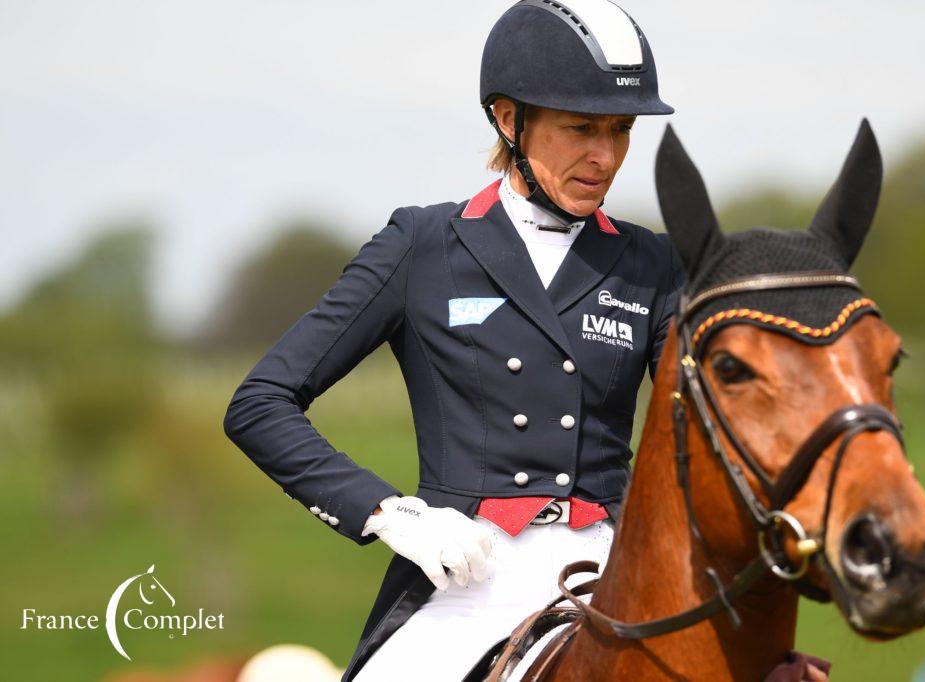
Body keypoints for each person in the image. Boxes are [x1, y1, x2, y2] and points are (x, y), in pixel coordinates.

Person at [225, 1, 697, 679]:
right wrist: (392, 515)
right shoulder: (423, 247)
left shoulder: (650, 264)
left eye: (620, 130)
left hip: (613, 575)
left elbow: (700, 441)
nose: (606, 156)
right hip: (467, 576)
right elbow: (260, 403)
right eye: (581, 128)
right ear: (510, 119)